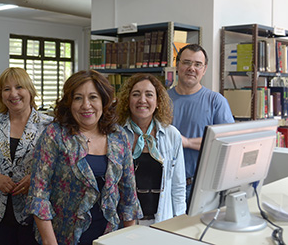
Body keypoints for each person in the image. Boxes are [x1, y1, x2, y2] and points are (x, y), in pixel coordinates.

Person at [25, 70, 142, 245]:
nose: (86, 105)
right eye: (78, 98)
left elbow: (129, 196)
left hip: (108, 235)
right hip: (63, 237)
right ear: (69, 103)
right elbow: (38, 194)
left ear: (104, 101)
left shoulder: (119, 136)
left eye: (93, 97)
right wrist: (51, 243)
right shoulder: (54, 135)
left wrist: (127, 239)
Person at [0, 67, 53, 245]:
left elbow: (60, 169)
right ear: (1, 95)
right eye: (6, 89)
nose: (13, 94)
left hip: (35, 216)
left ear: (30, 90)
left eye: (19, 87)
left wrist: (35, 179)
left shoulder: (49, 126)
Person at [116, 73, 186, 225]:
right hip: (125, 223)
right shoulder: (116, 135)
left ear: (158, 101)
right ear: (127, 101)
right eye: (136, 94)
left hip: (162, 221)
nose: (142, 100)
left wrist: (180, 223)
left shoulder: (172, 135)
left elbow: (178, 187)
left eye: (149, 95)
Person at [167, 44, 234, 202]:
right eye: (187, 62)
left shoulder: (216, 101)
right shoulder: (161, 99)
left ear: (204, 70)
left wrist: (188, 142)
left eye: (198, 64)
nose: (192, 68)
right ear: (177, 65)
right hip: (166, 185)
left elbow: (227, 142)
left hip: (200, 186)